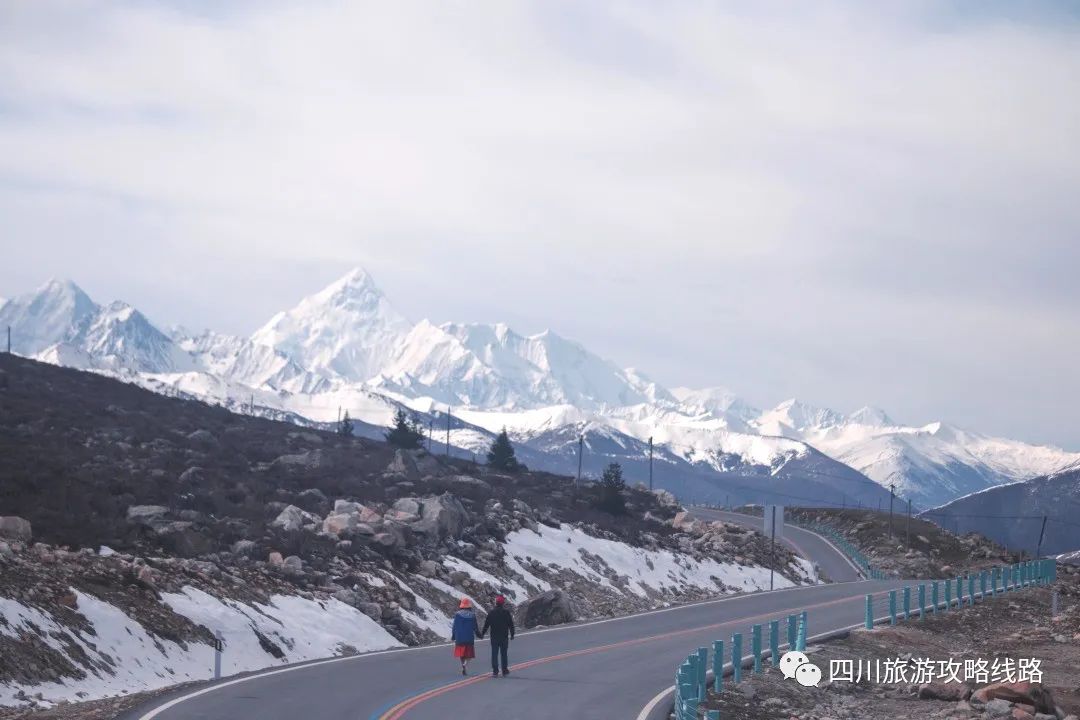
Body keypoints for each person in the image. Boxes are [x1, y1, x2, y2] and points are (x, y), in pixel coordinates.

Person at [480, 595, 515, 677]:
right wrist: (512, 634)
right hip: (504, 636)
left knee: (494, 653)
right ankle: (504, 670)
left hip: (494, 637)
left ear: (496, 603)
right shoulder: (506, 612)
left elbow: (486, 625)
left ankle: (495, 671)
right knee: (504, 654)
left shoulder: (491, 613)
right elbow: (511, 624)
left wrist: (482, 634)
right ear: (503, 603)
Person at [451, 597, 480, 675]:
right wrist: (479, 635)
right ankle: (465, 664)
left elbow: (455, 626)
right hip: (469, 637)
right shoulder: (472, 615)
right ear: (469, 606)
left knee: (462, 654)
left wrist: (453, 636)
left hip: (459, 637)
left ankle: (463, 665)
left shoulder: (457, 615)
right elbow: (475, 627)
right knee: (469, 654)